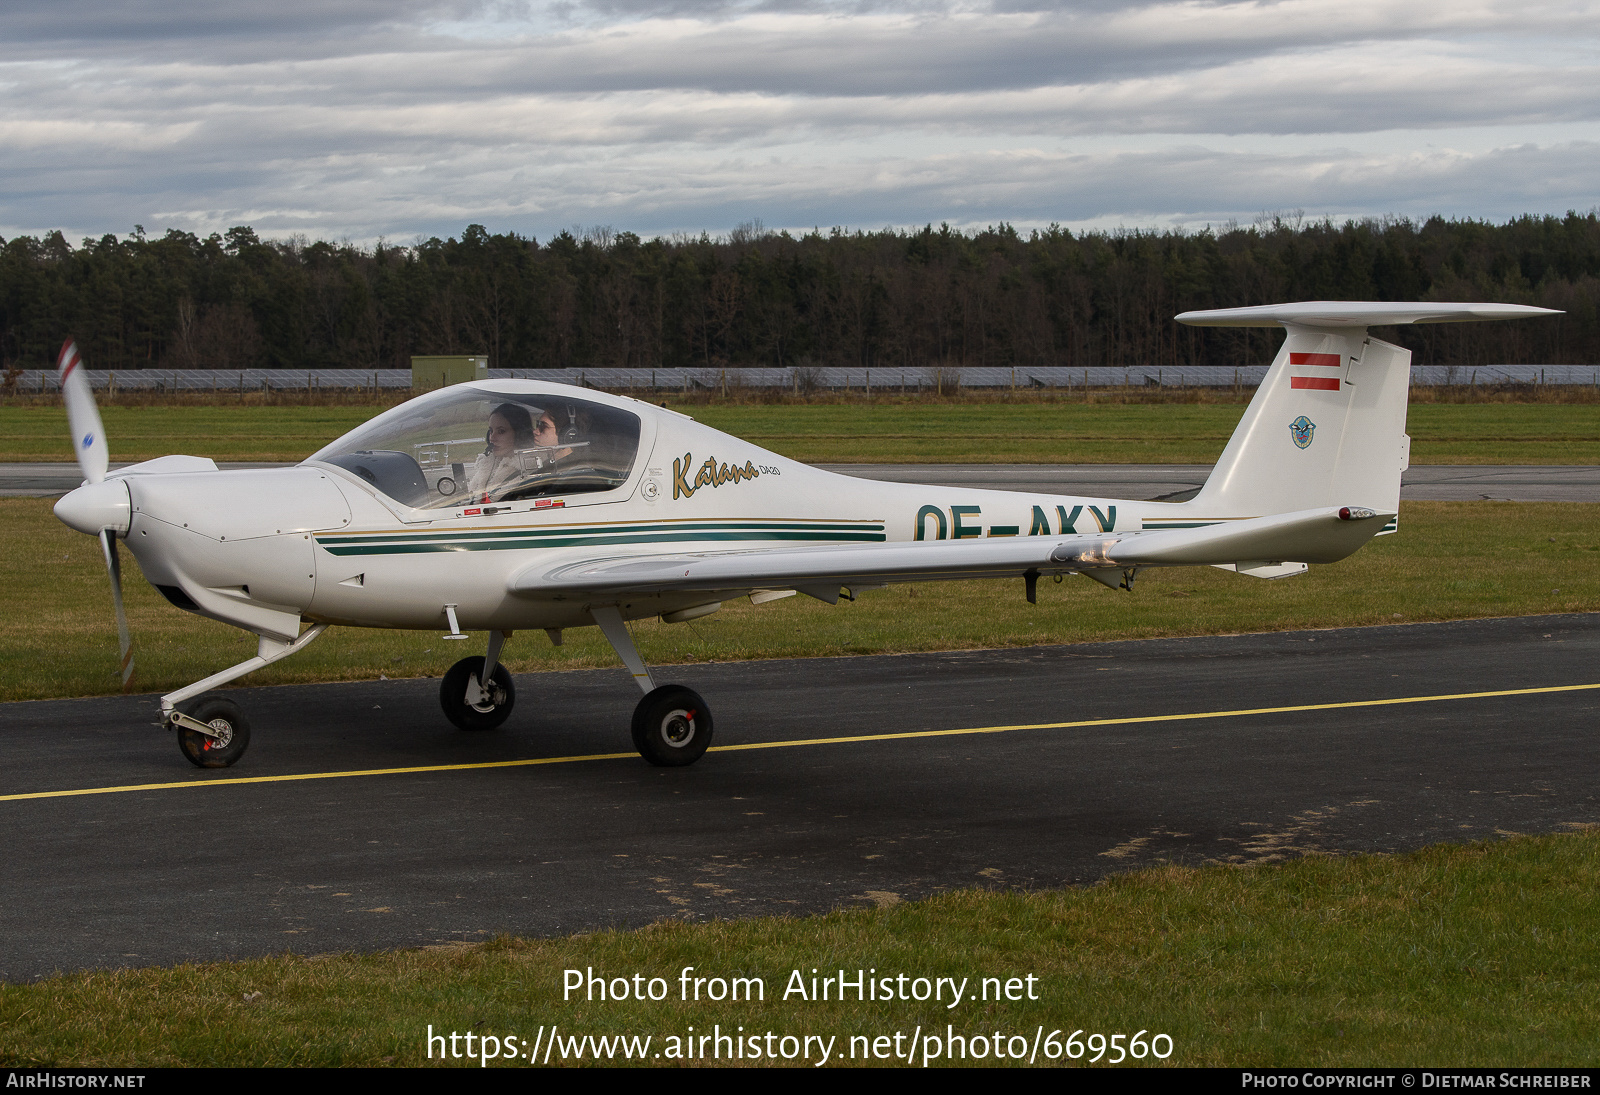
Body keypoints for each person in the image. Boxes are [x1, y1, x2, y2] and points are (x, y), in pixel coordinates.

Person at [467, 403, 535, 497]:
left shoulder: (527, 472)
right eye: (491, 431)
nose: (492, 438)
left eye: (501, 431)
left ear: (520, 434)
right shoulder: (487, 464)